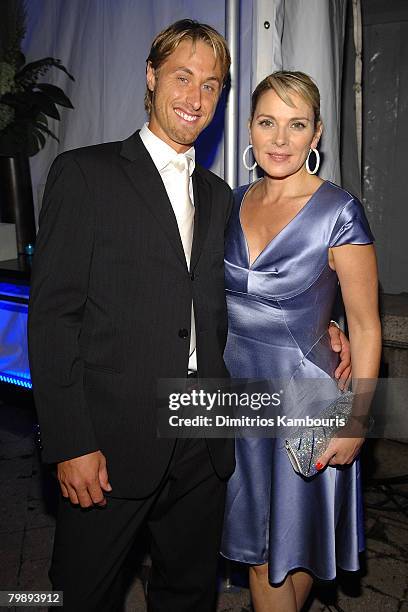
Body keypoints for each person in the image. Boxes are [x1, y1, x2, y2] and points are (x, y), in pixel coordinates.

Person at [28, 19, 350, 610]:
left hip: (204, 436)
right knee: (85, 592)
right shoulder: (85, 174)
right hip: (110, 441)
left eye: (211, 84)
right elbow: (51, 319)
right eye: (182, 77)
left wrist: (321, 323)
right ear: (151, 78)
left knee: (188, 594)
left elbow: (244, 291)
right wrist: (70, 441)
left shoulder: (220, 195)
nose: (195, 97)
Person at [220, 71, 381, 612]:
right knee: (269, 551)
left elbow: (365, 326)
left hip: (305, 401)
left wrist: (356, 419)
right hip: (236, 399)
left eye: (297, 125)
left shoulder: (339, 212)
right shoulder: (229, 204)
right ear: (250, 128)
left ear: (316, 136)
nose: (281, 139)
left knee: (279, 552)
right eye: (268, 122)